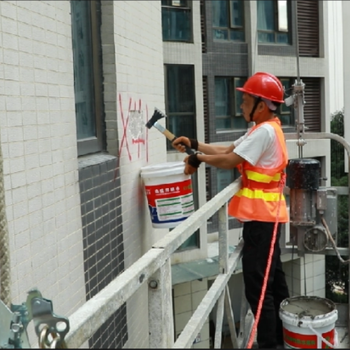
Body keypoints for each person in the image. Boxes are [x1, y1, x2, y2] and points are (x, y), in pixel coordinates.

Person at [172, 72, 290, 349]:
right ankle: (285, 337)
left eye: (245, 100)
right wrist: (195, 145)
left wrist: (196, 159)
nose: (240, 106)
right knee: (272, 281)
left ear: (260, 105)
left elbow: (229, 160)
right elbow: (226, 149)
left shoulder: (264, 132)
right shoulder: (264, 128)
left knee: (259, 288)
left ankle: (271, 344)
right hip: (267, 217)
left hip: (263, 220)